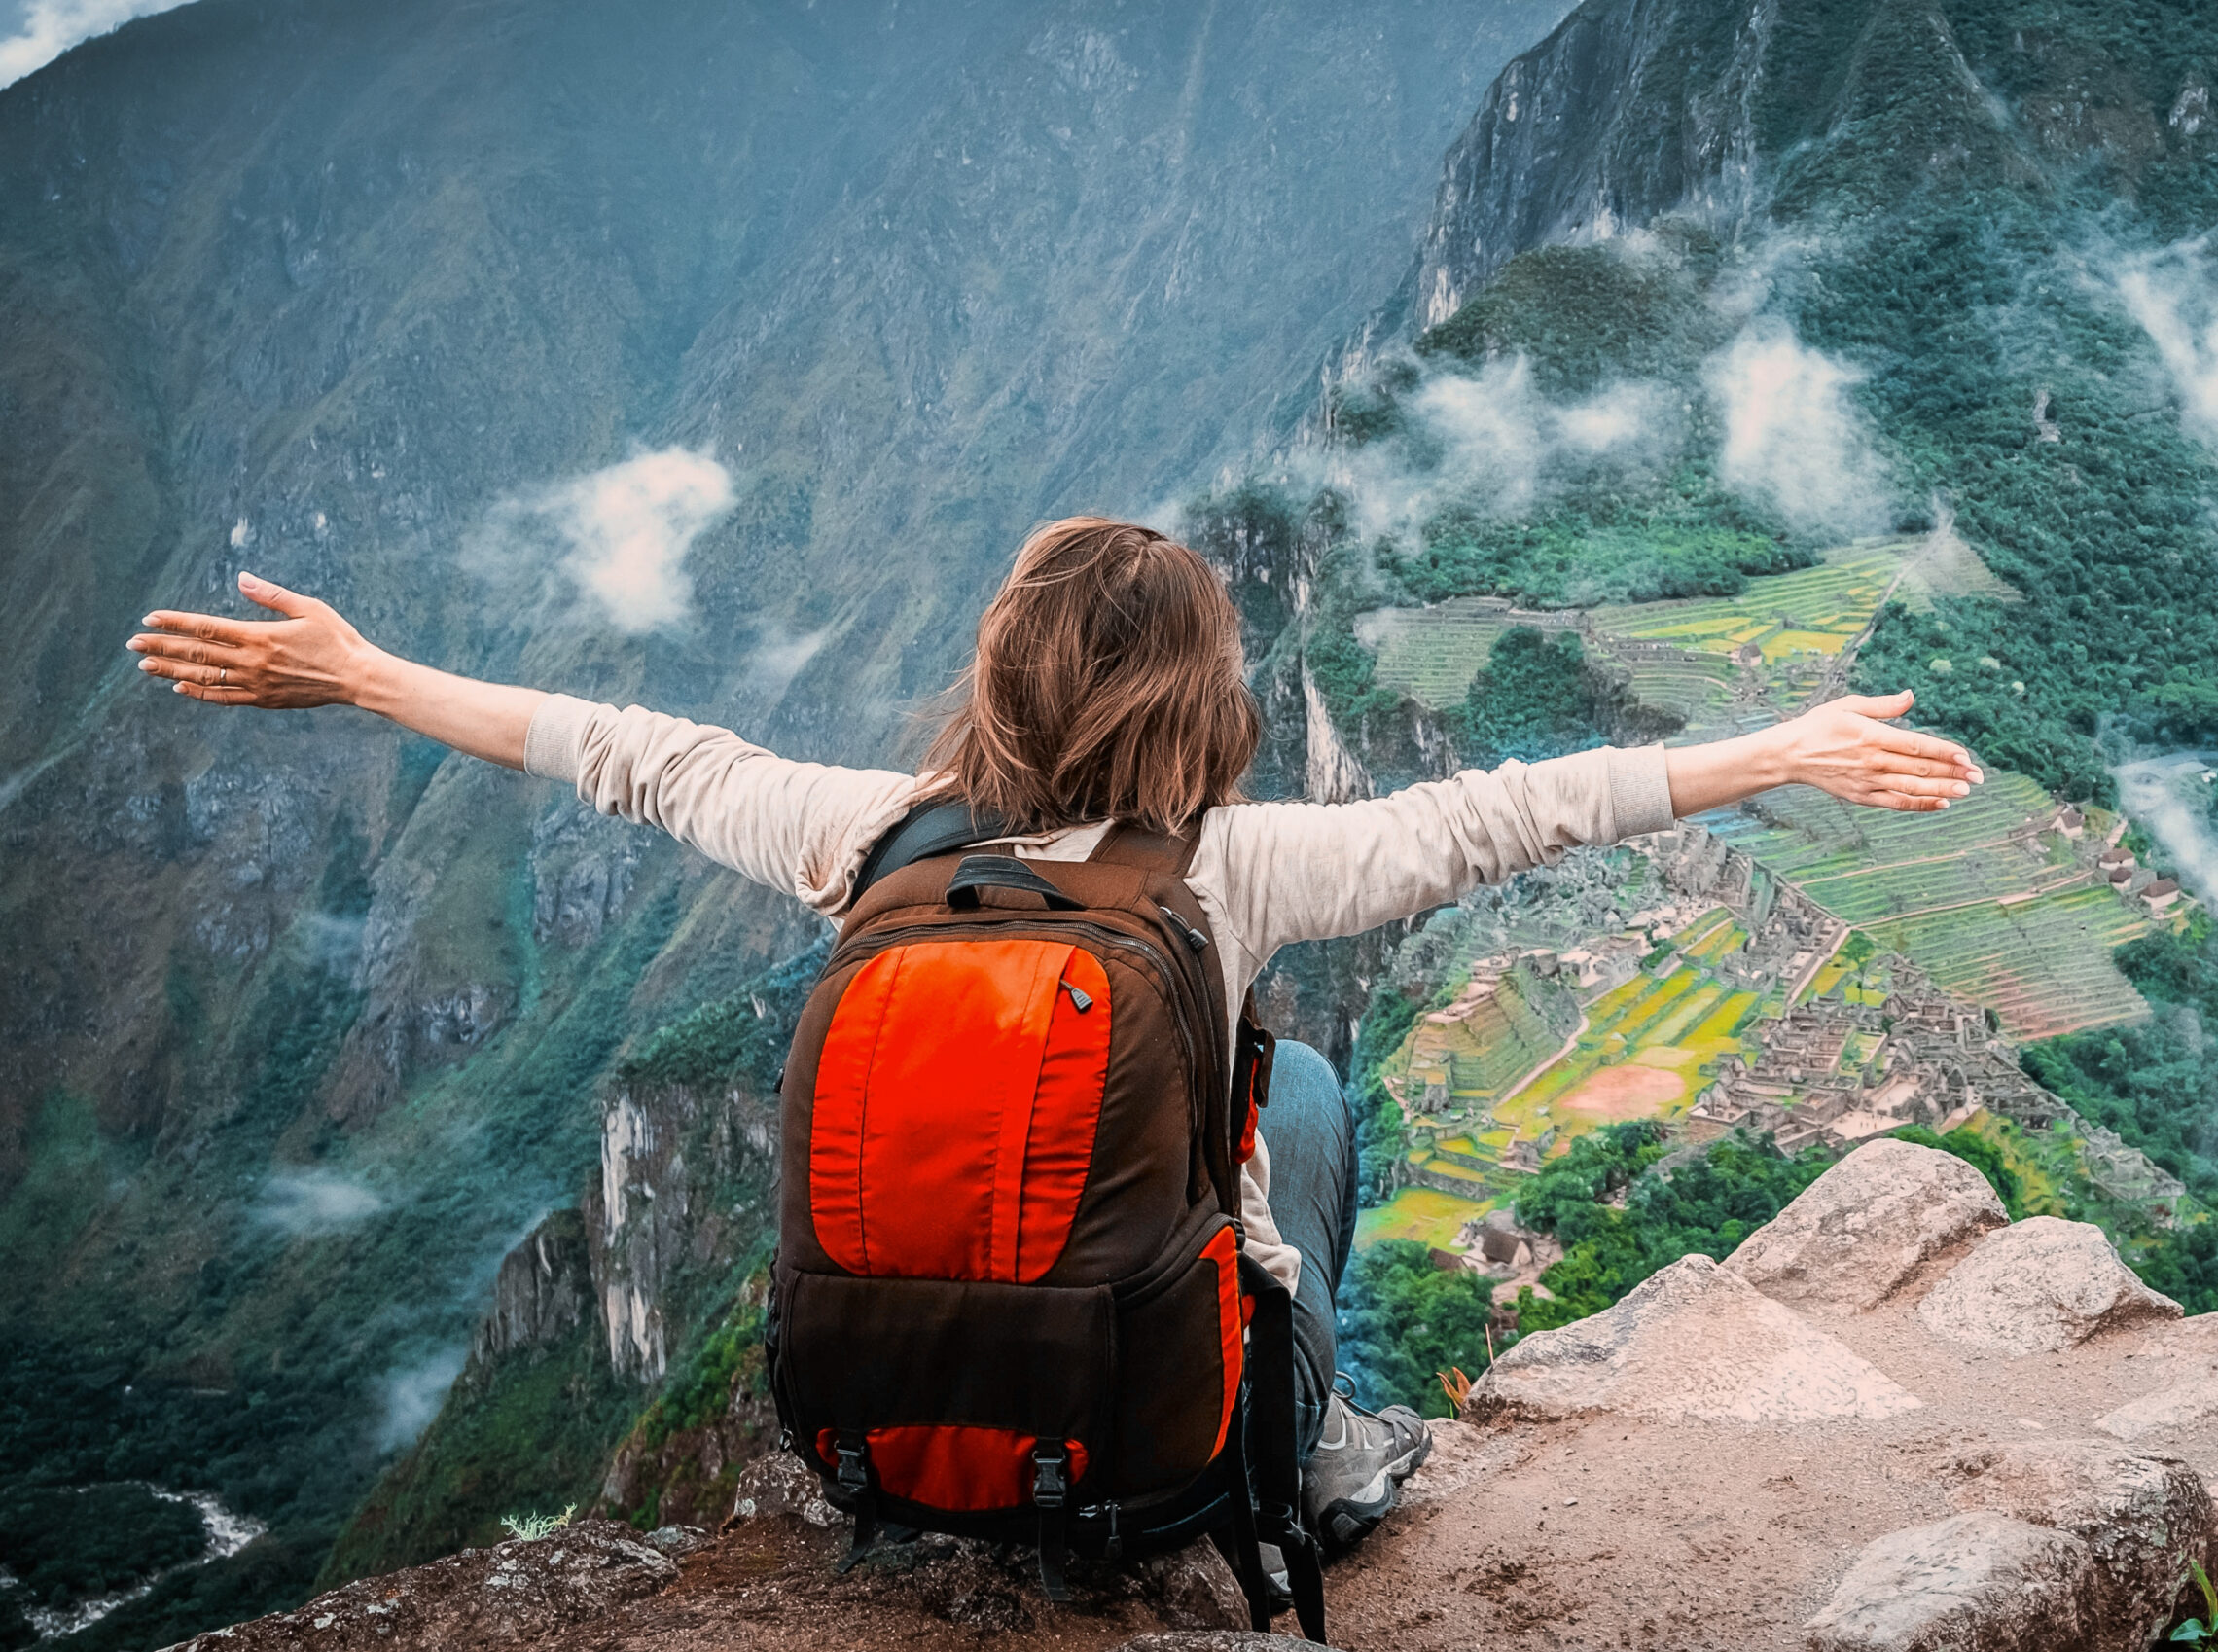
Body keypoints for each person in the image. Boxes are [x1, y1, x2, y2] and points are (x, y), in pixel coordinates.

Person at [129, 515, 1981, 1550]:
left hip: (879, 1447)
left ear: (998, 684)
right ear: (1207, 707)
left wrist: (365, 675)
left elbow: (623, 750)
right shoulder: (1237, 875)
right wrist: (1779, 750)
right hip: (1165, 1465)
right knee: (1309, 1092)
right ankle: (1319, 1457)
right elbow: (1518, 811)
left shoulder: (868, 840)